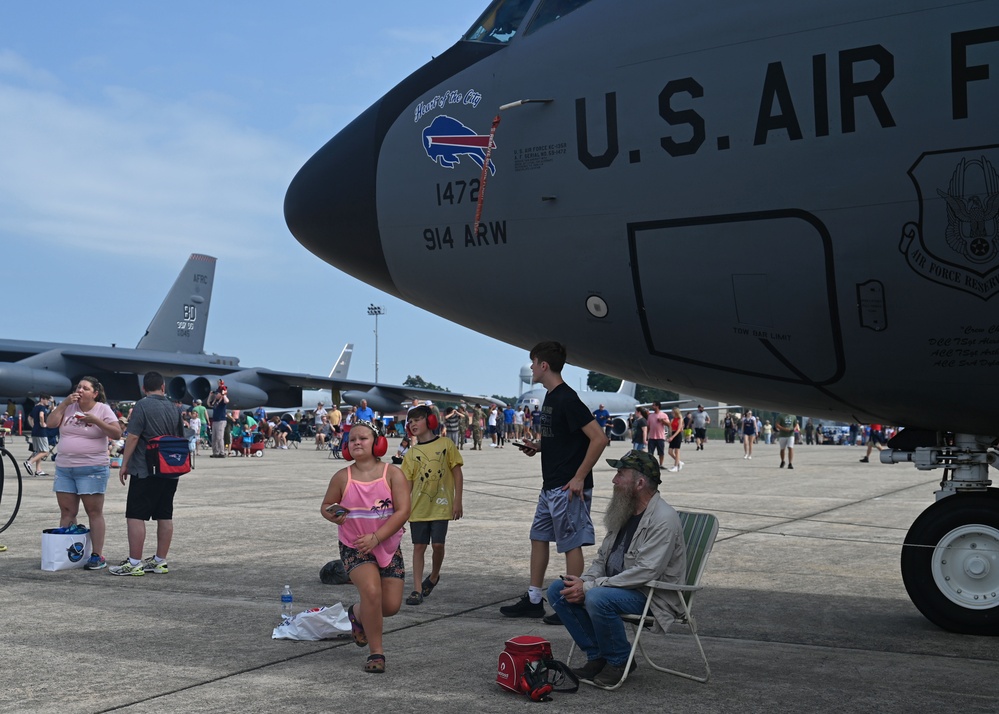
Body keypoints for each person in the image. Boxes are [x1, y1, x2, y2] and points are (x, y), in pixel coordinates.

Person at [547, 449, 686, 690]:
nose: (614, 480)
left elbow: (646, 572)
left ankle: (620, 660)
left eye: (620, 474)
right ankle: (598, 655)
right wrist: (584, 581)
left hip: (651, 595)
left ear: (639, 482)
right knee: (558, 589)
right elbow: (603, 559)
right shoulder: (626, 509)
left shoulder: (663, 518)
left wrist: (590, 586)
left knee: (598, 597)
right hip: (618, 587)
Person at [503, 341, 608, 624]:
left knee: (570, 543)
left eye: (534, 363)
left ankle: (572, 603)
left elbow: (599, 439)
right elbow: (563, 439)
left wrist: (579, 477)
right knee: (538, 537)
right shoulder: (551, 396)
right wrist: (538, 446)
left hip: (568, 486)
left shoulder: (567, 399)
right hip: (550, 485)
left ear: (544, 365)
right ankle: (534, 599)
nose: (533, 368)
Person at [320, 420, 411, 673]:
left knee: (390, 606)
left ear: (377, 442)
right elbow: (326, 506)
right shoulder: (342, 477)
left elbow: (403, 511)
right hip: (354, 546)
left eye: (363, 438)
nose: (357, 442)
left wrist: (378, 537)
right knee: (371, 591)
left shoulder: (393, 474)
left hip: (387, 545)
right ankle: (376, 652)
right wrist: (333, 514)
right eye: (352, 440)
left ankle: (357, 614)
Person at [110, 371, 185, 576]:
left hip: (145, 469)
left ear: (144, 389)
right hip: (170, 468)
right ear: (163, 388)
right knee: (165, 514)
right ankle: (160, 561)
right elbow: (180, 436)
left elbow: (133, 437)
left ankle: (134, 563)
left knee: (135, 515)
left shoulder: (142, 405)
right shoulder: (174, 407)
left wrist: (124, 464)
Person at [46, 377, 123, 570]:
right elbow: (50, 423)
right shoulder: (69, 407)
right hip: (65, 468)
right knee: (67, 512)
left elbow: (116, 434)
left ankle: (97, 555)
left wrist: (95, 421)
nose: (80, 390)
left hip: (92, 468)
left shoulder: (102, 409)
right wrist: (64, 404)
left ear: (94, 393)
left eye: (85, 388)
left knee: (93, 512)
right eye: (78, 387)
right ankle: (68, 553)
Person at [400, 405, 463, 606]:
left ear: (430, 421)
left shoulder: (446, 444)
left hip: (441, 506)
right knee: (419, 547)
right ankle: (417, 589)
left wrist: (457, 500)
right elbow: (406, 485)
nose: (413, 424)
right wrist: (401, 509)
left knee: (438, 545)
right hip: (418, 508)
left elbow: (457, 473)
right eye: (410, 422)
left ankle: (434, 576)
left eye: (417, 420)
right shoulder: (411, 453)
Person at [24, 394, 53, 476]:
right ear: (42, 399)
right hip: (41, 432)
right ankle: (29, 462)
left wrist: (33, 425)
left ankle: (38, 470)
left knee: (38, 451)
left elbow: (30, 417)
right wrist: (42, 423)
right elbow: (41, 415)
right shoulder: (42, 408)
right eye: (47, 399)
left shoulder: (36, 407)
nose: (48, 401)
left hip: (35, 431)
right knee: (45, 451)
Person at [206, 380, 229, 458]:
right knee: (214, 437)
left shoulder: (222, 401)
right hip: (215, 420)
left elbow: (227, 401)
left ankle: (222, 452)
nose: (216, 395)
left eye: (217, 393)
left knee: (219, 437)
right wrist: (210, 395)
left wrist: (224, 394)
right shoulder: (215, 401)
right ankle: (215, 452)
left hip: (221, 420)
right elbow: (209, 404)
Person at [647, 402, 669, 467]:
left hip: (660, 437)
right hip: (651, 437)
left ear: (657, 406)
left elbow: (668, 424)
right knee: (650, 453)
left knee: (661, 452)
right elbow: (648, 426)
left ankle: (661, 464)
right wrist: (646, 435)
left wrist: (663, 421)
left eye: (653, 405)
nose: (652, 407)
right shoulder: (650, 416)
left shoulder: (664, 415)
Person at [666, 406, 684, 472]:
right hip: (673, 434)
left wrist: (672, 437)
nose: (672, 413)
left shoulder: (680, 419)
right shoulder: (672, 419)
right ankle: (679, 462)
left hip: (677, 435)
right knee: (670, 452)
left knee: (677, 451)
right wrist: (669, 436)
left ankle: (676, 466)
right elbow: (670, 428)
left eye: (673, 412)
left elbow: (679, 429)